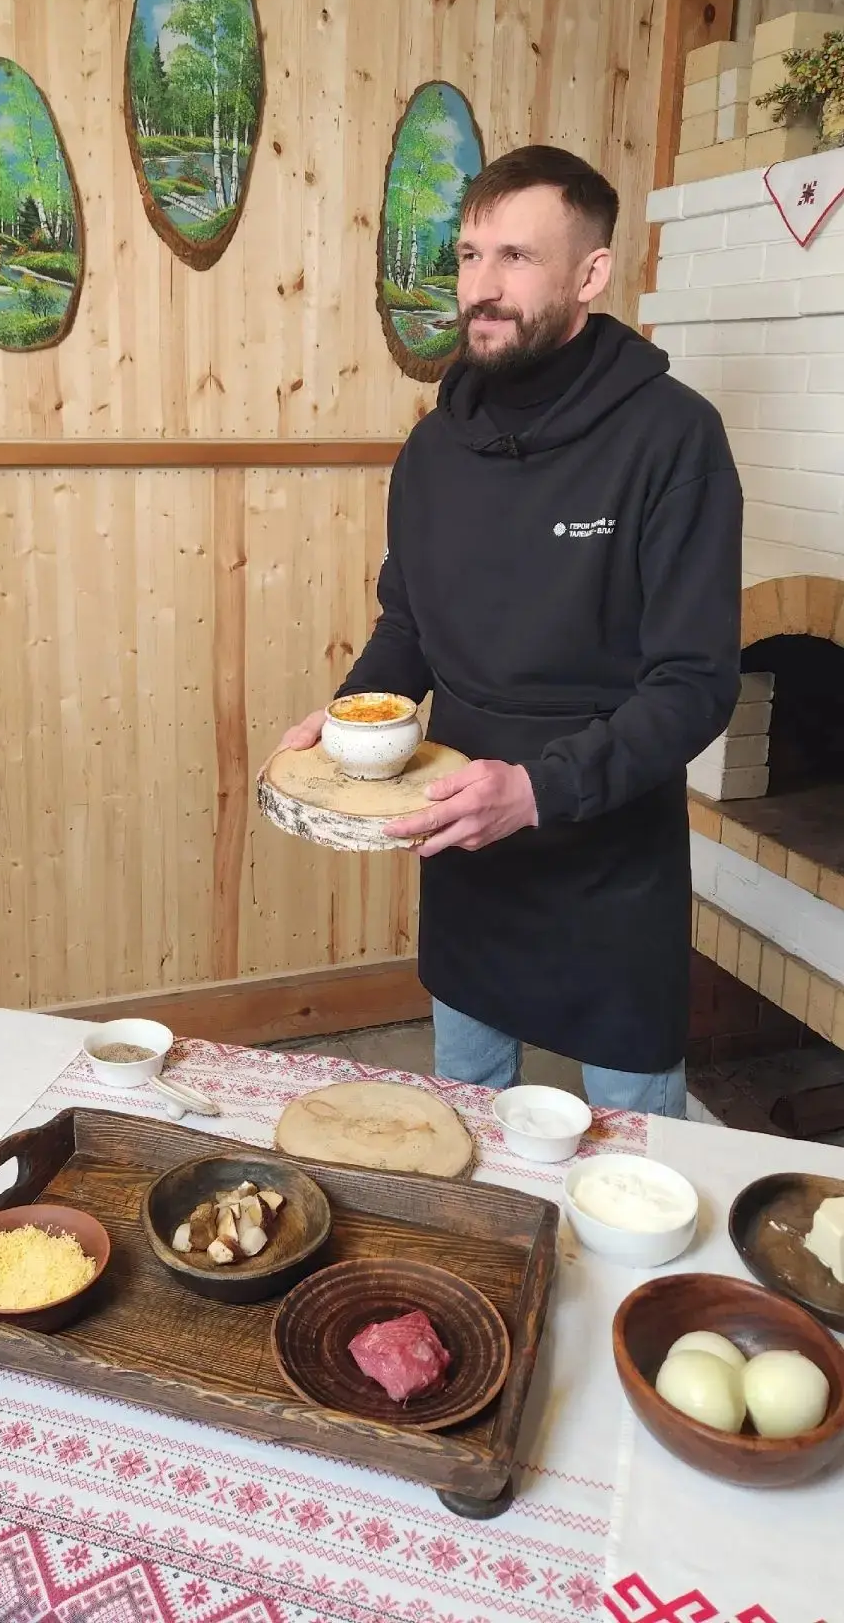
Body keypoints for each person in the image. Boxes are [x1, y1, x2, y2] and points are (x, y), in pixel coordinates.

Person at [280, 145, 742, 1116]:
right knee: (469, 1126)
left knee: (640, 1151)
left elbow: (695, 684)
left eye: (517, 257)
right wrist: (354, 720)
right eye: (469, 255)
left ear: (590, 273)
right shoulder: (432, 449)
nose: (481, 288)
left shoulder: (673, 438)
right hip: (467, 853)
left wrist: (536, 791)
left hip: (611, 867)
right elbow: (408, 624)